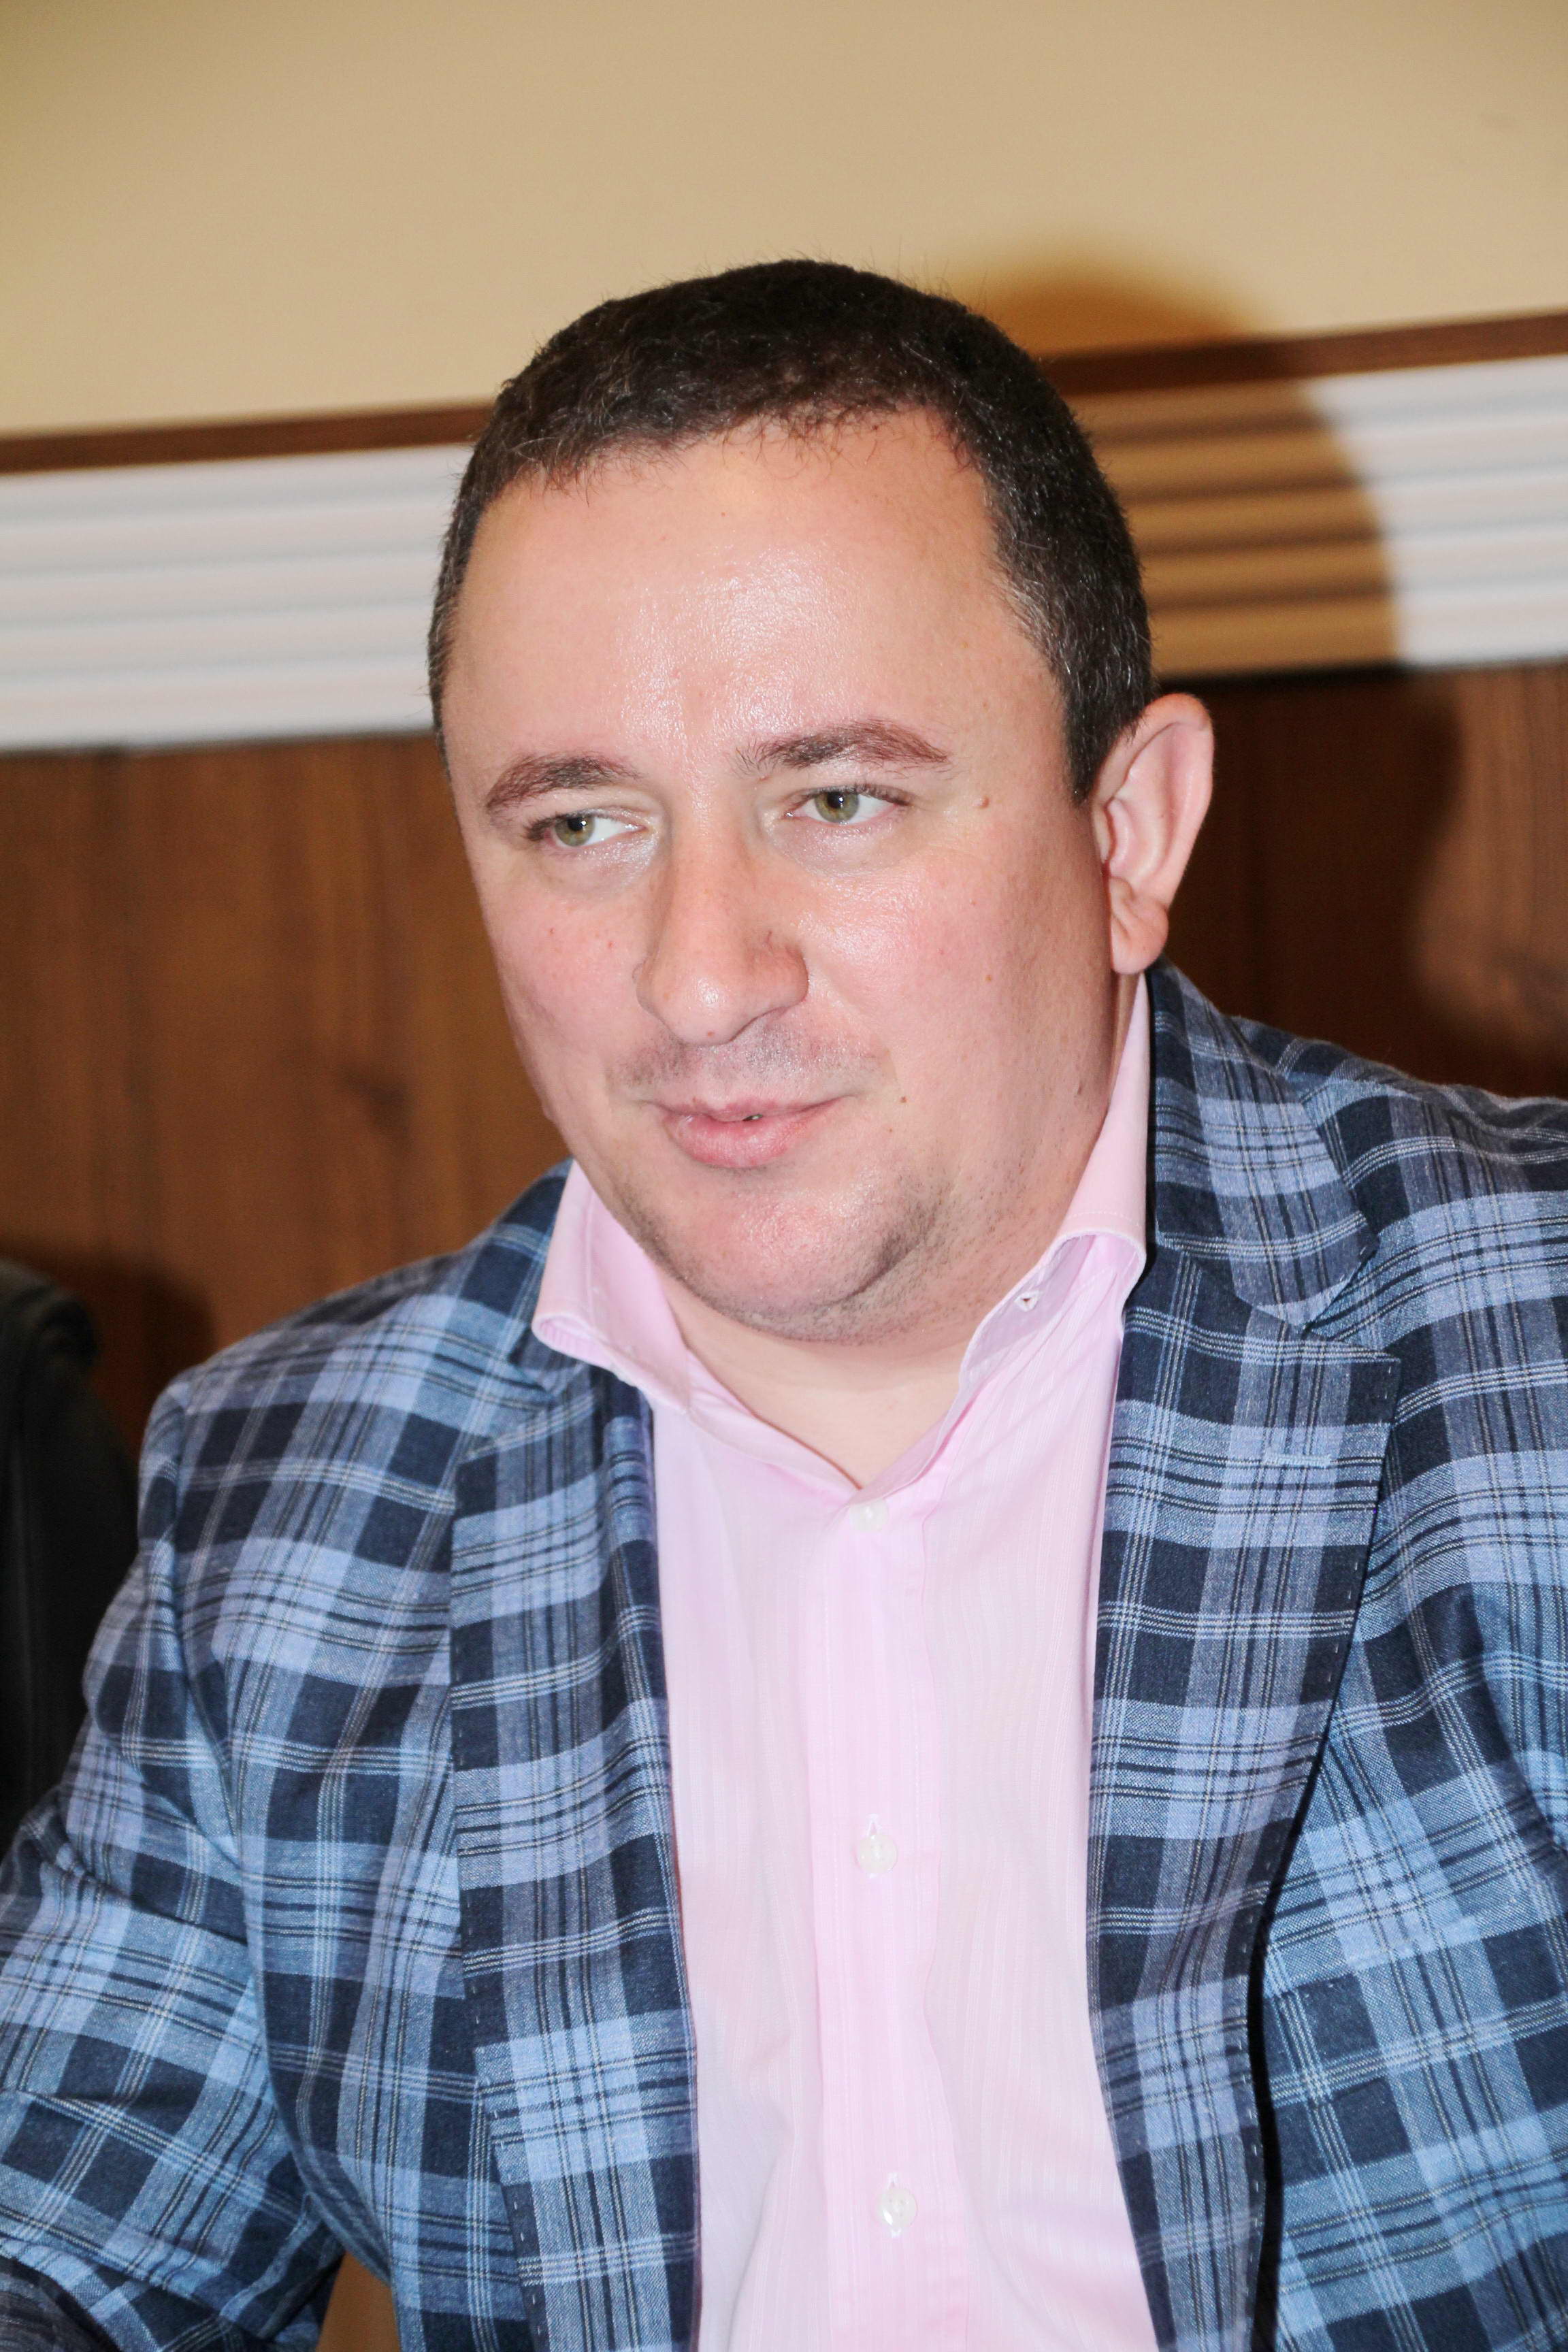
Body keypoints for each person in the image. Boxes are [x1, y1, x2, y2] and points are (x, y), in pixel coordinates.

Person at [1, 260, 1566, 2352]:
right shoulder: (293, 1500)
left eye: (837, 800)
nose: (698, 974)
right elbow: (66, 2246)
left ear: (1131, 831)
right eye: (582, 824)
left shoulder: (1527, 1345)